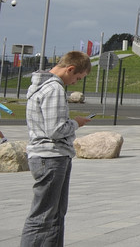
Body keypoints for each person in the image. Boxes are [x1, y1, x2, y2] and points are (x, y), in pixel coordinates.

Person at [20, 51, 92, 247]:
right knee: (43, 216)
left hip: (49, 156)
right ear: (70, 69)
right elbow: (56, 129)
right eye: (77, 78)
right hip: (50, 157)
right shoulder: (54, 89)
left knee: (54, 215)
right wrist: (76, 123)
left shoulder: (41, 86)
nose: (76, 83)